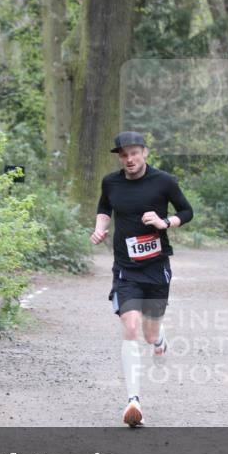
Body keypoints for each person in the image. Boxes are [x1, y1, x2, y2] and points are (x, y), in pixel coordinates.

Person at [90, 131, 194, 427]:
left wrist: (165, 223)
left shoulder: (164, 182)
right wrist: (100, 228)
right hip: (126, 268)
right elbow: (103, 208)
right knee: (130, 327)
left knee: (149, 335)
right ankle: (133, 401)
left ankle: (160, 339)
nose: (129, 159)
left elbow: (187, 211)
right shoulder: (111, 182)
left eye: (133, 153)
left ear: (144, 152)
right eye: (123, 155)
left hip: (156, 268)